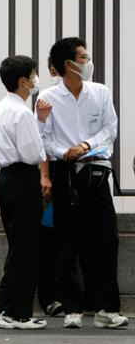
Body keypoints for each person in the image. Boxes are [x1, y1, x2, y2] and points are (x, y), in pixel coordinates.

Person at [38, 37, 128, 329]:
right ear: (69, 65)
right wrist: (62, 152)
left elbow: (110, 128)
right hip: (65, 171)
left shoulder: (100, 92)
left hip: (96, 171)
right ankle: (73, 308)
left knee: (106, 238)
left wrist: (86, 145)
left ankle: (107, 308)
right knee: (67, 241)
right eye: (83, 57)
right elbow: (43, 138)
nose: (88, 62)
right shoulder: (47, 97)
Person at [0, 55, 48, 330]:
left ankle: (5, 309)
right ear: (24, 80)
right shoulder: (23, 112)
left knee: (18, 245)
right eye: (34, 74)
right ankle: (17, 313)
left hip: (7, 178)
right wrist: (42, 124)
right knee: (26, 247)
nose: (36, 79)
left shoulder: (4, 106)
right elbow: (33, 152)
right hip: (23, 177)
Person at [36, 58, 63, 318]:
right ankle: (49, 296)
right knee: (50, 238)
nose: (54, 76)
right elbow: (42, 140)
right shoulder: (46, 98)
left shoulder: (90, 95)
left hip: (79, 172)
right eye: (51, 71)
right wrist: (45, 176)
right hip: (54, 171)